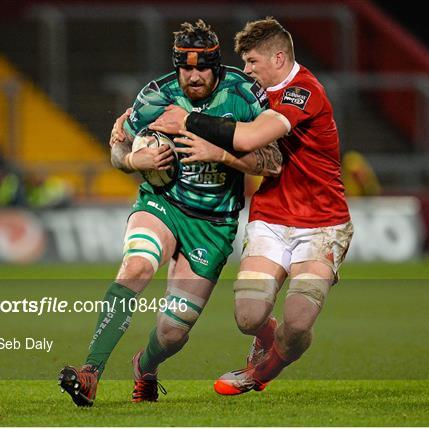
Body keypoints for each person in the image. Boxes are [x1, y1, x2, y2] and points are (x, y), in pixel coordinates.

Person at [58, 19, 282, 407]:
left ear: (216, 66)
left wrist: (223, 153)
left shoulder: (245, 95)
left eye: (202, 68)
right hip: (163, 204)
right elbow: (117, 148)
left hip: (213, 226)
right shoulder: (155, 97)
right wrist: (131, 159)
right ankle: (90, 371)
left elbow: (273, 161)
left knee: (172, 332)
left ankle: (145, 367)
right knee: (137, 266)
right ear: (176, 65)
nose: (193, 77)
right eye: (185, 68)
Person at [150, 17, 354, 395]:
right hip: (272, 217)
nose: (245, 70)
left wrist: (189, 122)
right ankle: (267, 339)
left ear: (278, 58)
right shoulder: (254, 93)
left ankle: (257, 375)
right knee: (248, 317)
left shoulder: (302, 93)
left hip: (321, 225)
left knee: (297, 323)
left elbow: (252, 137)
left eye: (252, 62)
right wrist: (129, 122)